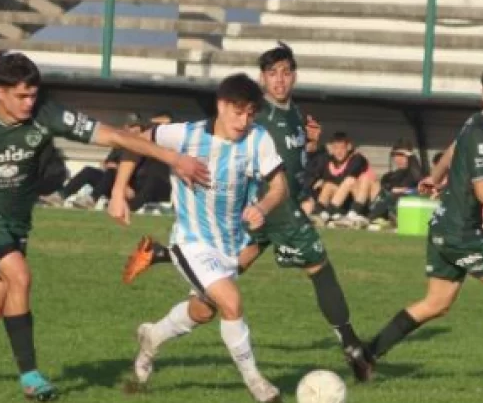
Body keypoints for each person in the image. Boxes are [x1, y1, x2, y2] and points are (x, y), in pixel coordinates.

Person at [0, 53, 209, 402]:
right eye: (21, 96)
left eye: (33, 95)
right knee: (20, 276)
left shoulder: (47, 114)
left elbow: (115, 136)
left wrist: (174, 159)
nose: (29, 103)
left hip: (17, 220)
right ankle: (31, 377)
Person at [118, 43, 373, 382]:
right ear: (261, 79)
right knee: (319, 266)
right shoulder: (255, 114)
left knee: (207, 304)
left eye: (285, 73)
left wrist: (311, 144)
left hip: (261, 215)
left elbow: (291, 159)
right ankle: (352, 345)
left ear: (294, 75)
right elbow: (188, 136)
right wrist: (123, 186)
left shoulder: (296, 114)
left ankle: (155, 328)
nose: (279, 80)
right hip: (272, 209)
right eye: (272, 74)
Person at [367, 62, 483, 393]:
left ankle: (367, 353)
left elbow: (452, 148)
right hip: (461, 233)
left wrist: (433, 176)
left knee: (436, 303)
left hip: (443, 227)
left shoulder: (476, 123)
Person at [109, 73, 289, 403]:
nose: (244, 120)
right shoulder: (184, 135)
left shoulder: (258, 139)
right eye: (238, 112)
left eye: (250, 113)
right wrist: (119, 190)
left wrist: (262, 207)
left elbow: (280, 187)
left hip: (230, 245)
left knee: (204, 312)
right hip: (190, 241)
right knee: (231, 302)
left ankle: (153, 335)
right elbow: (130, 141)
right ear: (221, 105)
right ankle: (256, 382)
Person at [41, 113, 145, 209]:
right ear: (126, 128)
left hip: (130, 188)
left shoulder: (143, 148)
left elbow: (143, 173)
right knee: (89, 171)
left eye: (138, 127)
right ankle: (60, 196)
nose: (136, 130)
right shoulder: (120, 145)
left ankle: (92, 199)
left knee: (113, 172)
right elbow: (107, 163)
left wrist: (124, 183)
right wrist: (110, 166)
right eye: (132, 127)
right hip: (111, 183)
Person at [313, 132, 375, 228]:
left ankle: (347, 214)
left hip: (363, 203)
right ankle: (318, 214)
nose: (338, 152)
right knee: (328, 185)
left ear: (349, 147)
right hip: (344, 202)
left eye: (342, 148)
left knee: (349, 180)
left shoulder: (358, 159)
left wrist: (325, 180)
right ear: (331, 149)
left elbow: (348, 176)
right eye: (335, 148)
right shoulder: (329, 162)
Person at [365, 140, 422, 230]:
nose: (399, 159)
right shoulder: (389, 176)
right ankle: (371, 217)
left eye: (402, 156)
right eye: (396, 155)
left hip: (407, 207)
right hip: (387, 207)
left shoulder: (415, 173)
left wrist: (411, 156)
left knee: (396, 196)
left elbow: (418, 179)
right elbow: (385, 190)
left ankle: (369, 219)